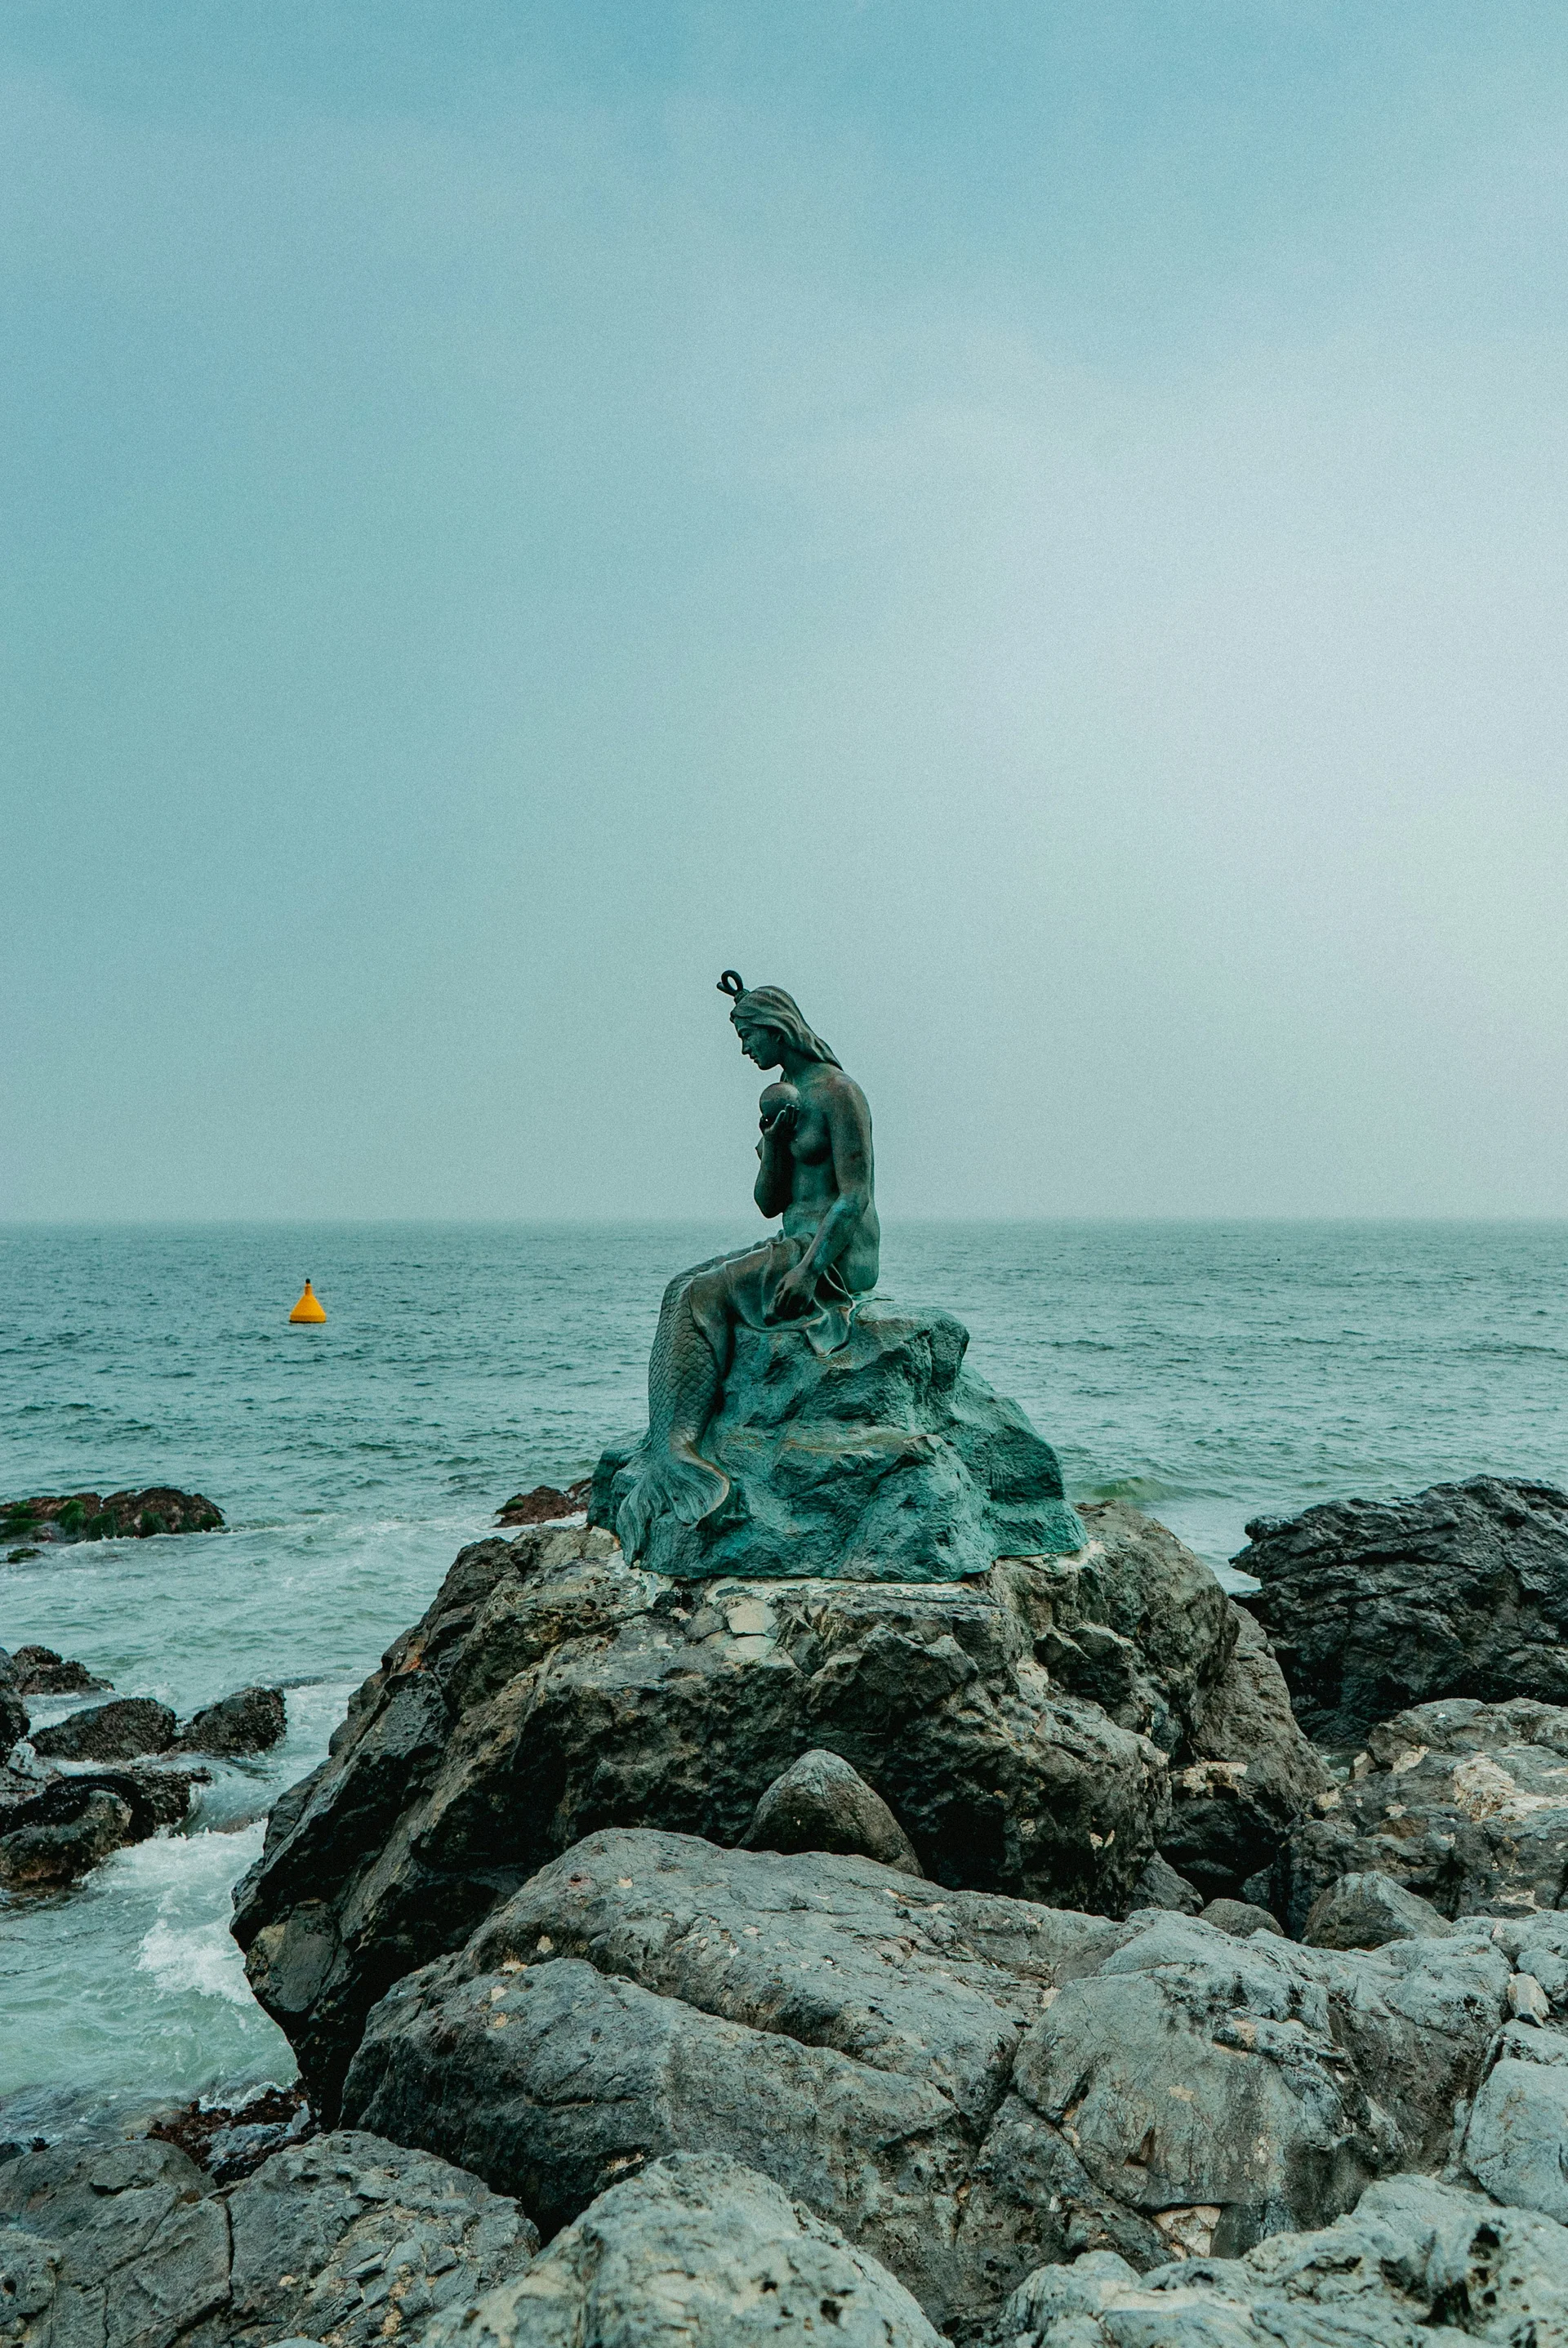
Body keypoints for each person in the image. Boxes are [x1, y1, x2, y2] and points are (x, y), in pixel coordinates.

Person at [616, 974, 880, 1562]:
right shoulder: (784, 1101)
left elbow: (854, 1196)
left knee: (697, 1298)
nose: (743, 1051)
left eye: (747, 1035)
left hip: (832, 1256)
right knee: (678, 1288)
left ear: (776, 1028)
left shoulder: (840, 1093)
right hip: (793, 1238)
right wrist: (775, 1142)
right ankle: (666, 1446)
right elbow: (767, 1202)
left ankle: (680, 1448)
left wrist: (809, 1273)